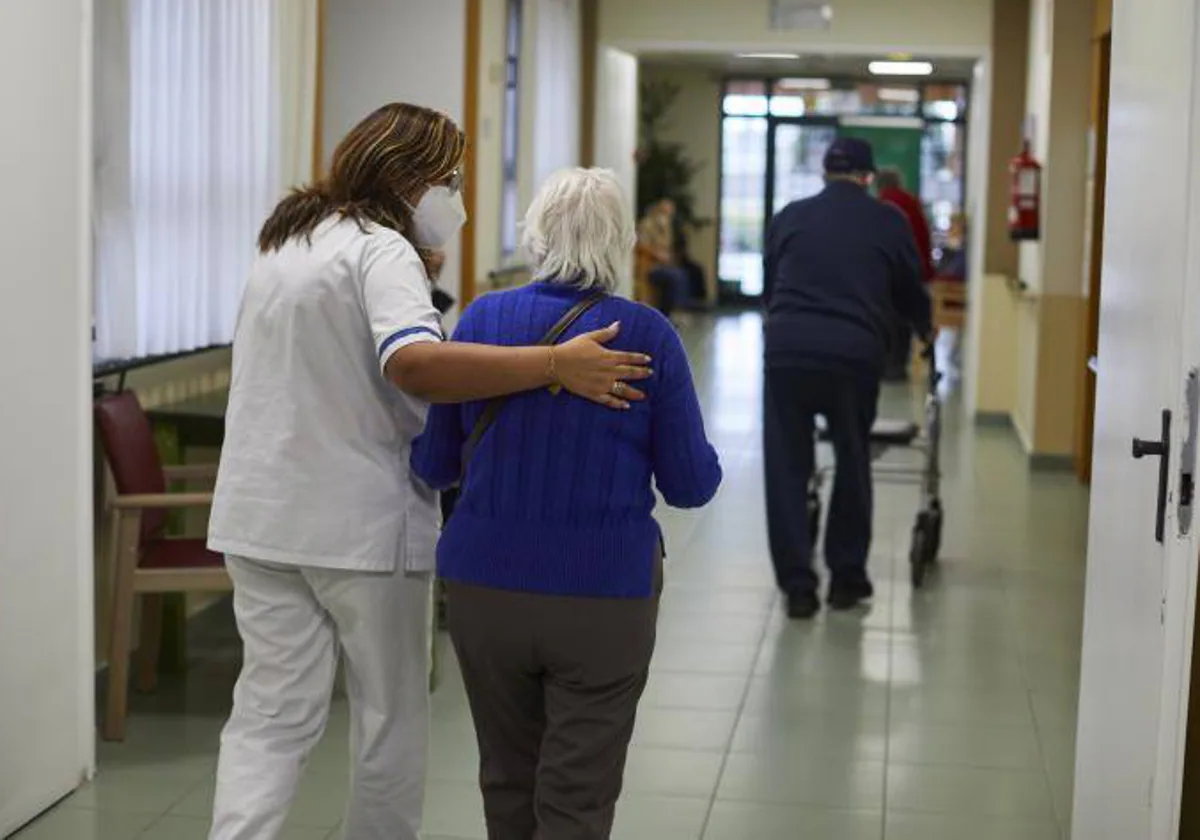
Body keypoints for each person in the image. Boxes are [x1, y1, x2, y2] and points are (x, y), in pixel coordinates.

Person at [204, 104, 652, 840]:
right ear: (409, 178)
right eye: (449, 181)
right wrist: (554, 365)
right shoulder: (383, 252)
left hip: (261, 519)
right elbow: (411, 362)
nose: (459, 202)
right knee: (389, 718)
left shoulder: (286, 241)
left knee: (268, 715)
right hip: (358, 528)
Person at [412, 167, 722, 839]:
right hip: (602, 595)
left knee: (506, 775)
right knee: (576, 798)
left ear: (536, 236)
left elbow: (433, 462)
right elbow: (691, 485)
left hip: (484, 587)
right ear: (619, 241)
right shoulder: (648, 336)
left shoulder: (485, 317)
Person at [762, 137, 931, 619]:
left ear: (823, 174)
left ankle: (798, 587)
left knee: (787, 467)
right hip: (853, 354)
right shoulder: (887, 220)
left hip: (788, 350)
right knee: (852, 458)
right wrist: (923, 329)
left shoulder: (790, 215)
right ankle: (846, 578)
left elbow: (772, 284)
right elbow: (909, 289)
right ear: (869, 176)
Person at [875, 166, 934, 381]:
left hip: (890, 268)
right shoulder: (912, 202)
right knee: (905, 318)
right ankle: (898, 364)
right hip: (914, 266)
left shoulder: (881, 206)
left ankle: (889, 364)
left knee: (888, 317)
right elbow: (924, 236)